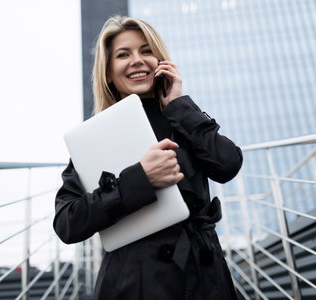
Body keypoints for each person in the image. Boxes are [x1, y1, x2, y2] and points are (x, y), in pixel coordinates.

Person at [53, 15, 243, 300]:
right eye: (123, 54)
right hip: (136, 282)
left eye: (146, 50)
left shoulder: (182, 117)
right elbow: (67, 222)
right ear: (108, 72)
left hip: (205, 275)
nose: (137, 60)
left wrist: (180, 106)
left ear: (160, 61)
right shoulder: (95, 137)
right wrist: (140, 179)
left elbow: (228, 164)